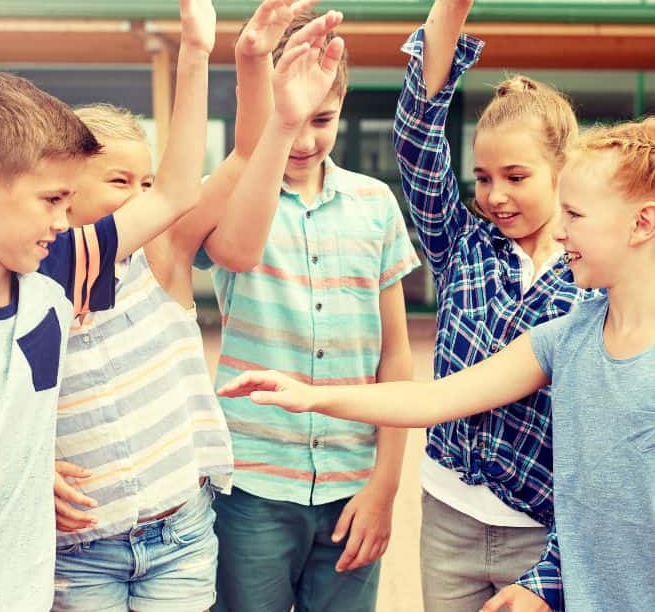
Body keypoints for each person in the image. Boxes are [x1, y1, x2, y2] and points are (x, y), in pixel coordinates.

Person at [218, 116, 655, 612]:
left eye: (574, 215)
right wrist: (312, 395)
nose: (562, 230)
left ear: (642, 223)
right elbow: (434, 398)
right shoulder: (567, 339)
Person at [48, 0, 344, 612]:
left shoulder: (164, 256)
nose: (140, 196)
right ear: (65, 192)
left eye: (148, 182)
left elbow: (243, 153)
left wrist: (242, 61)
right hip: (78, 551)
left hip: (178, 533)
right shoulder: (34, 281)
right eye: (118, 181)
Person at [0, 0, 215, 611]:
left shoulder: (54, 274)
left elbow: (176, 194)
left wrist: (196, 53)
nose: (64, 219)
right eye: (50, 201)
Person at [395, 0, 595, 608]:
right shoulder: (462, 246)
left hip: (543, 537)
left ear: (562, 168)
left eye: (516, 176)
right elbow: (419, 136)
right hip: (446, 520)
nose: (495, 196)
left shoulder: (596, 279)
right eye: (482, 179)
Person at [200, 8, 420, 612]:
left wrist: (386, 484)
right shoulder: (228, 198)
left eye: (322, 119)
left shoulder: (376, 206)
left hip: (354, 487)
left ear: (342, 100)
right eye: (287, 118)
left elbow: (396, 356)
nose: (303, 139)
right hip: (252, 486)